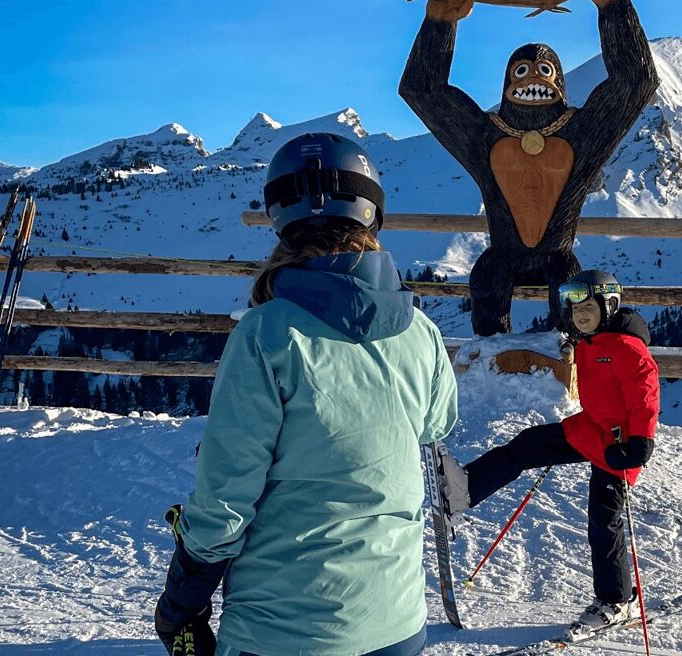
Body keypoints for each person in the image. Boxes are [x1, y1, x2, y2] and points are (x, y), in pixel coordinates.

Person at [153, 132, 458, 656]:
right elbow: (436, 424)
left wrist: (184, 595)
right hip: (397, 621)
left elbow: (227, 496)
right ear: (371, 210)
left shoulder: (265, 333)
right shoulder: (420, 331)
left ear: (280, 218)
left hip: (286, 631)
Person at [438, 269, 660, 636]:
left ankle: (616, 600)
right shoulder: (589, 342)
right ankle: (465, 489)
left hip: (620, 446)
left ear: (608, 306)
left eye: (588, 308)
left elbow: (646, 395)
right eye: (576, 311)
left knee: (604, 521)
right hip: (590, 429)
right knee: (528, 445)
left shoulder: (625, 347)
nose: (581, 316)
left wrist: (640, 443)